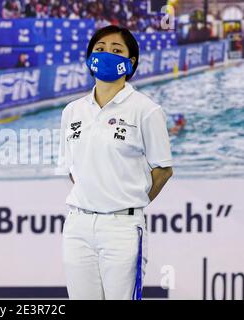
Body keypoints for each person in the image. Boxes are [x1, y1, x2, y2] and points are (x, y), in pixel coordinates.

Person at [55, 25, 173, 300]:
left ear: (130, 62)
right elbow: (73, 169)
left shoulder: (146, 110)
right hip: (78, 226)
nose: (107, 54)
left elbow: (164, 170)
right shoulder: (72, 111)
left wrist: (126, 199)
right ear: (89, 57)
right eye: (100, 49)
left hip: (122, 228)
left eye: (116, 50)